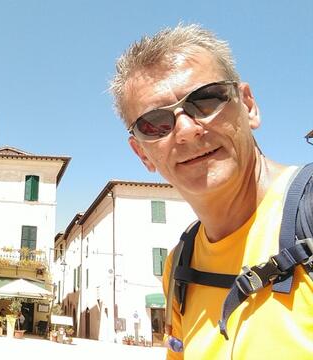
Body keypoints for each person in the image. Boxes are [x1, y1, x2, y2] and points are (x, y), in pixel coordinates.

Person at [110, 24, 311, 359]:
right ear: (142, 153)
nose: (186, 130)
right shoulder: (178, 268)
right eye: (155, 123)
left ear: (248, 106)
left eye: (205, 100)